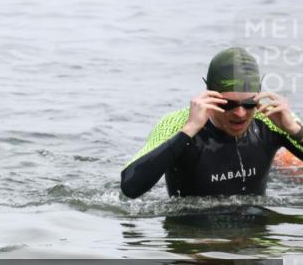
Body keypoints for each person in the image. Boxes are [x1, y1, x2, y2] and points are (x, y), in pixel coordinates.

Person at [120, 47, 303, 199]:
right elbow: (130, 188)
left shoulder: (272, 118)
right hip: (193, 235)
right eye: (228, 104)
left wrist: (296, 131)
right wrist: (189, 130)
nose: (240, 113)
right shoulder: (178, 123)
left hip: (255, 235)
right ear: (209, 94)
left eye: (249, 104)